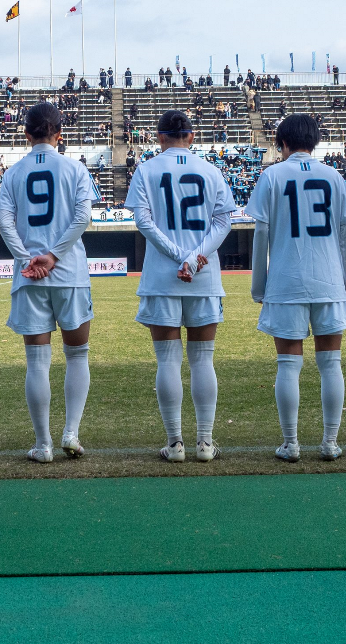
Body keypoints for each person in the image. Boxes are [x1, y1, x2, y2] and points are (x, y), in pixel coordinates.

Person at [125, 110, 236, 463]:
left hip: (162, 276)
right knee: (203, 360)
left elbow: (143, 221)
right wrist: (195, 257)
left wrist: (178, 257)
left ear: (159, 136)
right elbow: (223, 222)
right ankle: (205, 443)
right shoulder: (211, 169)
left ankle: (175, 444)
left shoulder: (146, 169)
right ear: (191, 136)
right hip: (204, 276)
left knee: (167, 361)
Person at [249, 113, 346, 462]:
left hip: (286, 279)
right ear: (315, 142)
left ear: (282, 143)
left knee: (287, 363)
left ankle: (291, 443)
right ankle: (330, 442)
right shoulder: (334, 175)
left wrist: (259, 286)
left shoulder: (271, 175)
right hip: (328, 280)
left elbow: (261, 232)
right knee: (331, 363)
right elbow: (345, 234)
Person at [0, 102, 98, 462]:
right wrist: (54, 256)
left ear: (26, 133)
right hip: (70, 273)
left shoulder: (13, 173)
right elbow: (83, 217)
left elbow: (5, 224)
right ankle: (71, 432)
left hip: (29, 277)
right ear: (59, 134)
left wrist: (29, 259)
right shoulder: (75, 169)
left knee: (37, 362)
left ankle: (43, 444)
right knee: (77, 354)